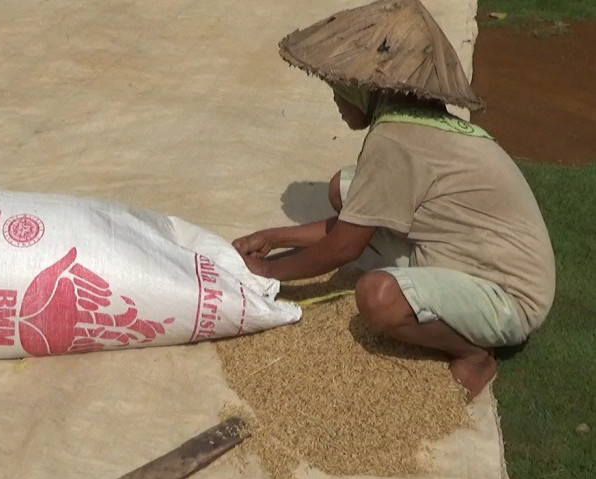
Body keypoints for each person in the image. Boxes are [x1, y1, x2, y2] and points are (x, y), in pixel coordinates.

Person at [232, 0, 556, 402]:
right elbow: (355, 223)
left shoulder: (394, 140)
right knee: (343, 188)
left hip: (507, 295)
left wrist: (265, 271)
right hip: (462, 254)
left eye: (341, 87)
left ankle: (474, 352)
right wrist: (276, 236)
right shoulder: (411, 125)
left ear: (367, 87)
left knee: (377, 297)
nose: (336, 98)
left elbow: (344, 247)